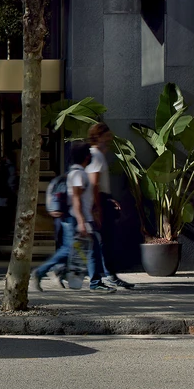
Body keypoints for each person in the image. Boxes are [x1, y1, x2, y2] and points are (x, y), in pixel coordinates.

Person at [35, 143, 114, 293]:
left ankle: (95, 281)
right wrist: (81, 221)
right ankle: (94, 282)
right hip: (75, 219)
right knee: (73, 251)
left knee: (88, 249)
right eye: (89, 154)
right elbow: (76, 200)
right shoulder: (78, 174)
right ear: (86, 157)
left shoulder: (77, 172)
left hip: (79, 218)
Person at [84, 124, 136, 290]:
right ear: (99, 136)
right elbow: (94, 184)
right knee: (101, 242)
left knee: (105, 241)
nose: (109, 138)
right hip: (98, 202)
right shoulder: (96, 156)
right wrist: (97, 207)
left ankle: (108, 276)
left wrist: (109, 199)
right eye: (107, 135)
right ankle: (99, 279)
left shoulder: (98, 155)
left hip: (102, 200)